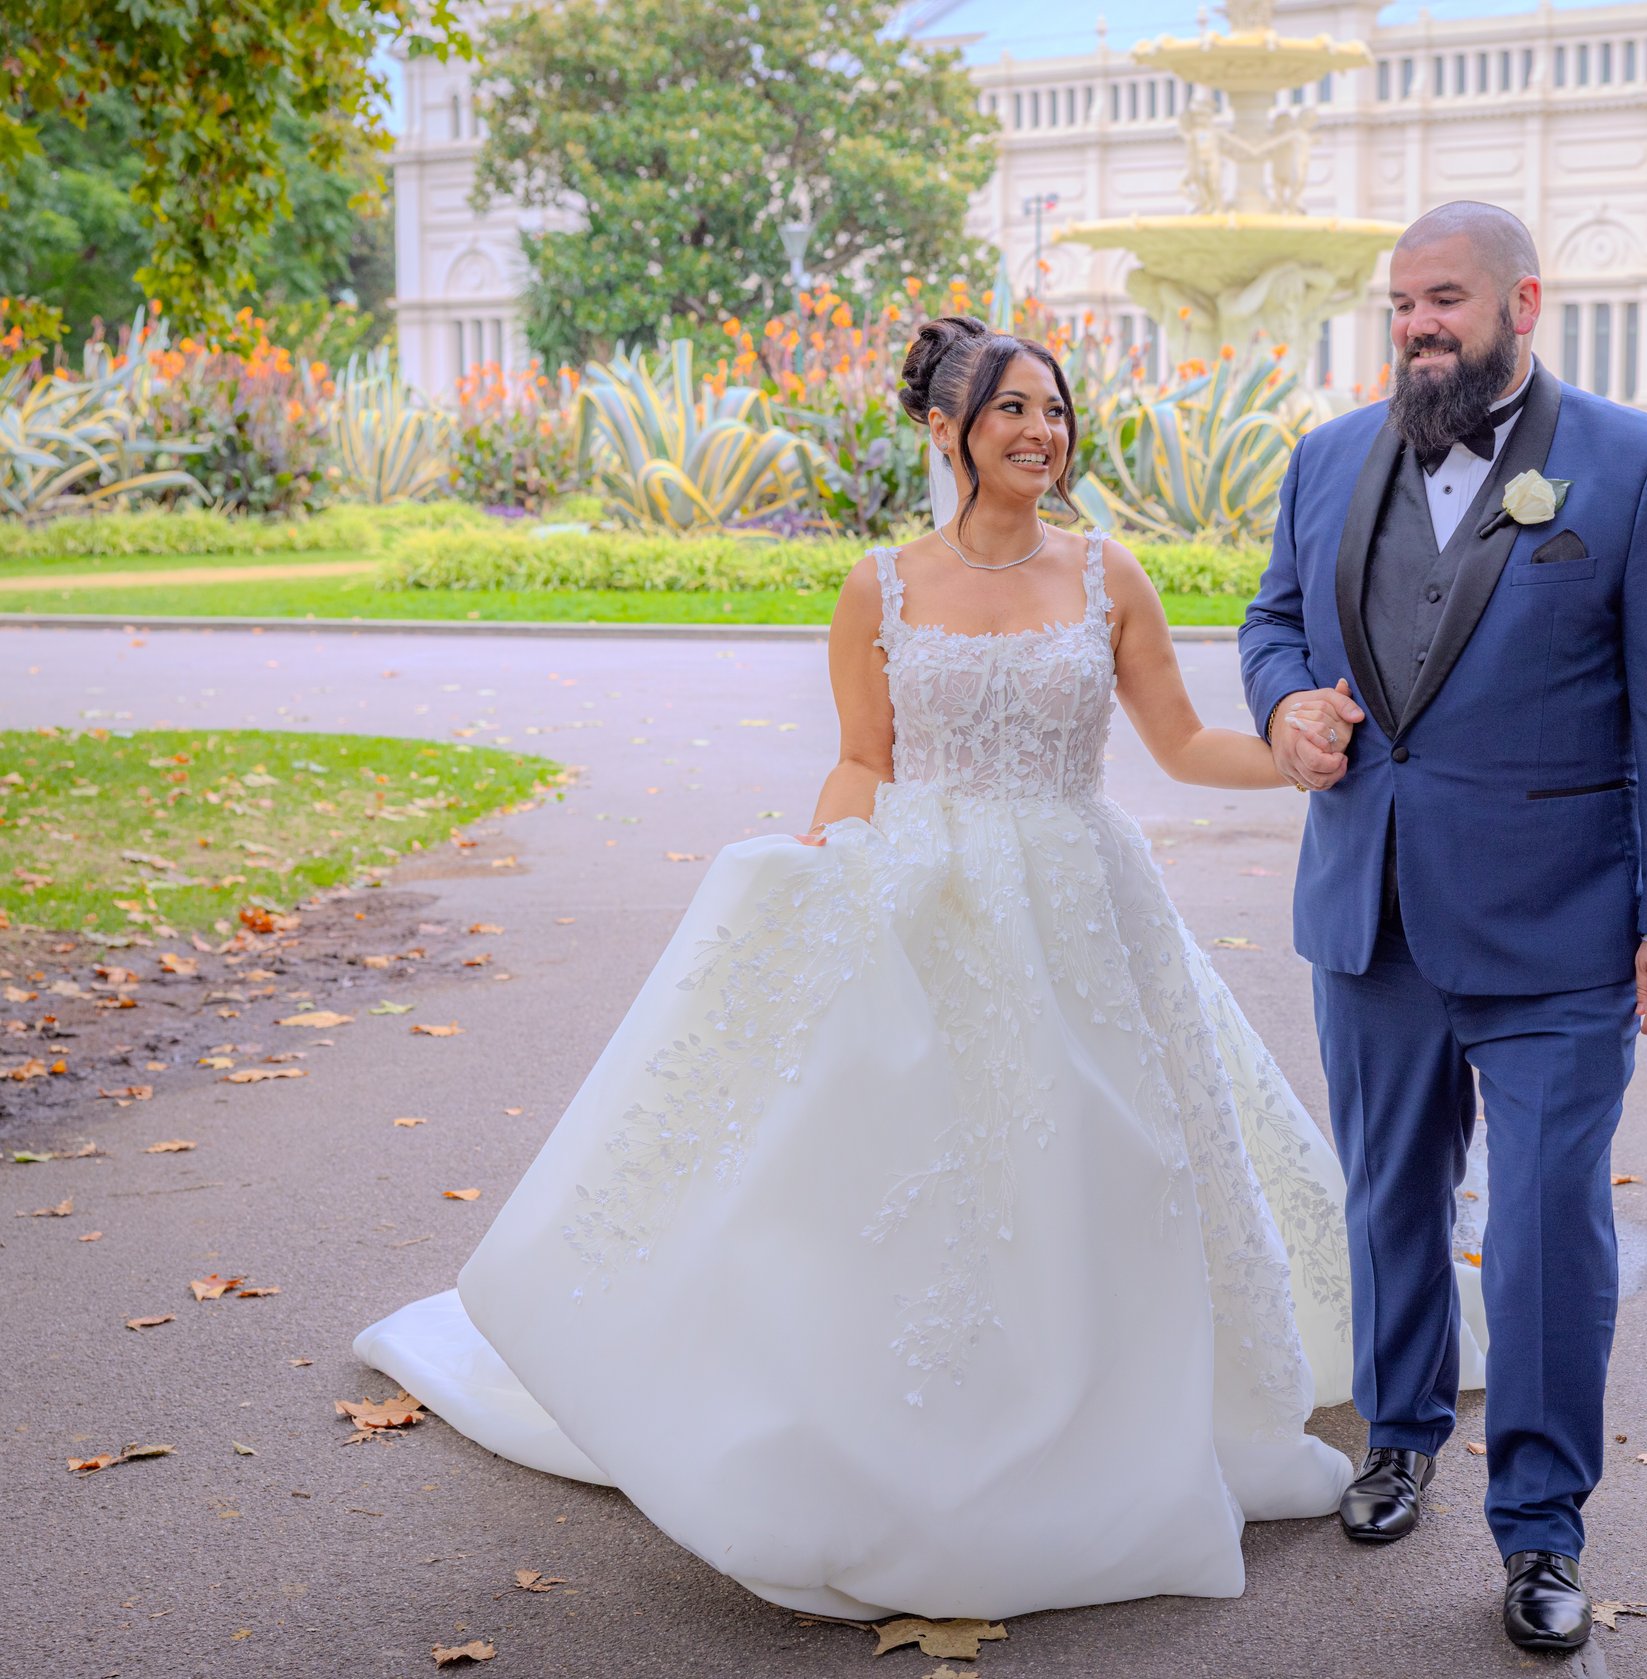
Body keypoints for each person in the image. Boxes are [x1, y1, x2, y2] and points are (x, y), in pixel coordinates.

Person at [352, 316, 1445, 1621]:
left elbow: (1180, 741)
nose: (1043, 432)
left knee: (1119, 1156)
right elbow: (864, 756)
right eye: (1013, 413)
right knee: (924, 1170)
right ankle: (920, 1420)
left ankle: (1110, 1410)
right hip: (924, 897)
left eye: (1055, 410)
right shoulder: (880, 584)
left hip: (1083, 907)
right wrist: (828, 851)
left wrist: (1291, 749)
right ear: (946, 431)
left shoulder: (1109, 574)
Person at [1239, 202, 1647, 1652]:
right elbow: (1273, 619)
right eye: (1401, 302)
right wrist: (1284, 705)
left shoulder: (1636, 469)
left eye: (1443, 297)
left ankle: (1541, 1530)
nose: (1417, 324)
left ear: (1523, 297)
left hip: (1563, 928)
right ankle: (1398, 1437)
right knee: (1387, 1194)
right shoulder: (1330, 455)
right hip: (1371, 904)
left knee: (1540, 1226)